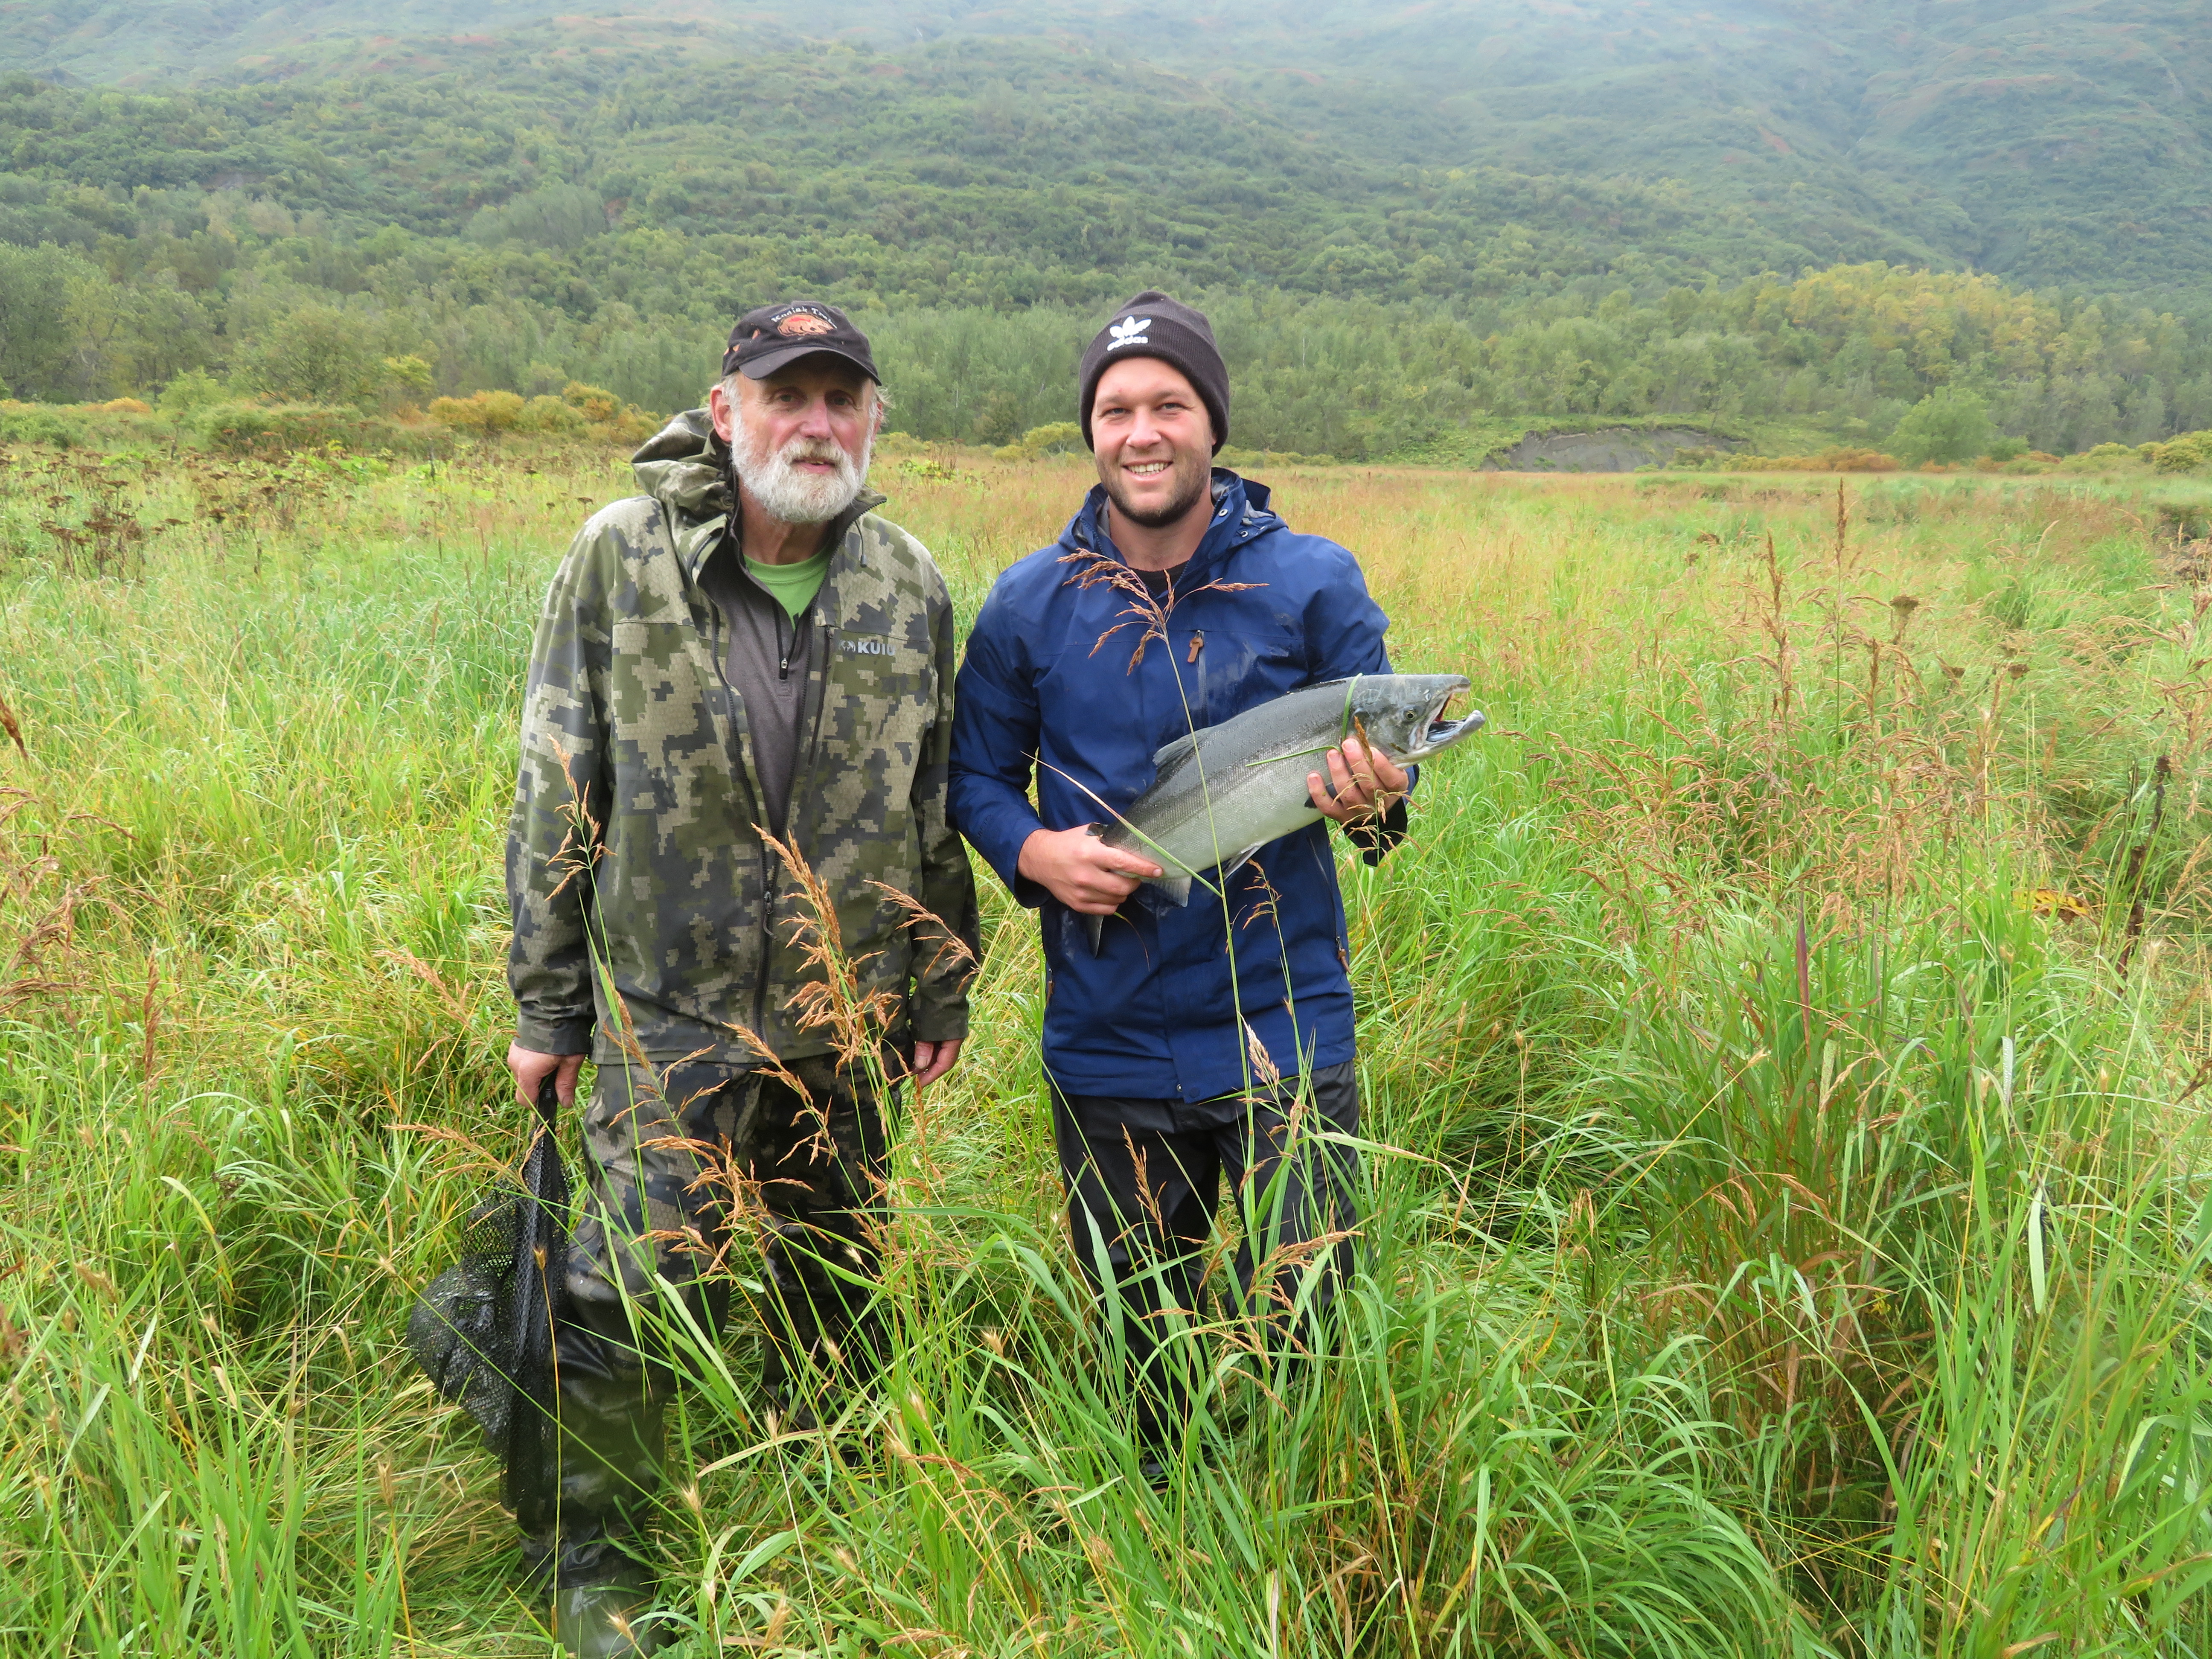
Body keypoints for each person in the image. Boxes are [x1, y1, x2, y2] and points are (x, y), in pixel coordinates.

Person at [503, 300, 977, 1655]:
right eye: (787, 396)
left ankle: (825, 1502)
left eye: (842, 399)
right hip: (669, 1013)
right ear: (728, 413)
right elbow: (557, 784)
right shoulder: (620, 557)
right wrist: (548, 1005)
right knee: (627, 1292)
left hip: (846, 1014)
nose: (815, 424)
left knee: (841, 1274)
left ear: (874, 420)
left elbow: (931, 803)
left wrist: (937, 988)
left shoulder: (906, 581)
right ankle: (595, 1558)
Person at [946, 290, 1414, 1472]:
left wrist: (1381, 801)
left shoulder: (1313, 584)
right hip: (1108, 1038)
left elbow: (1383, 798)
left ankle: (1285, 1535)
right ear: (1091, 434)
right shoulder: (1028, 605)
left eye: (1169, 404)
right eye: (1116, 410)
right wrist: (1035, 854)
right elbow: (977, 780)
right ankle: (1158, 1528)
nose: (1141, 431)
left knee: (1304, 1334)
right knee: (1139, 1335)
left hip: (1288, 1032)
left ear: (1213, 425)